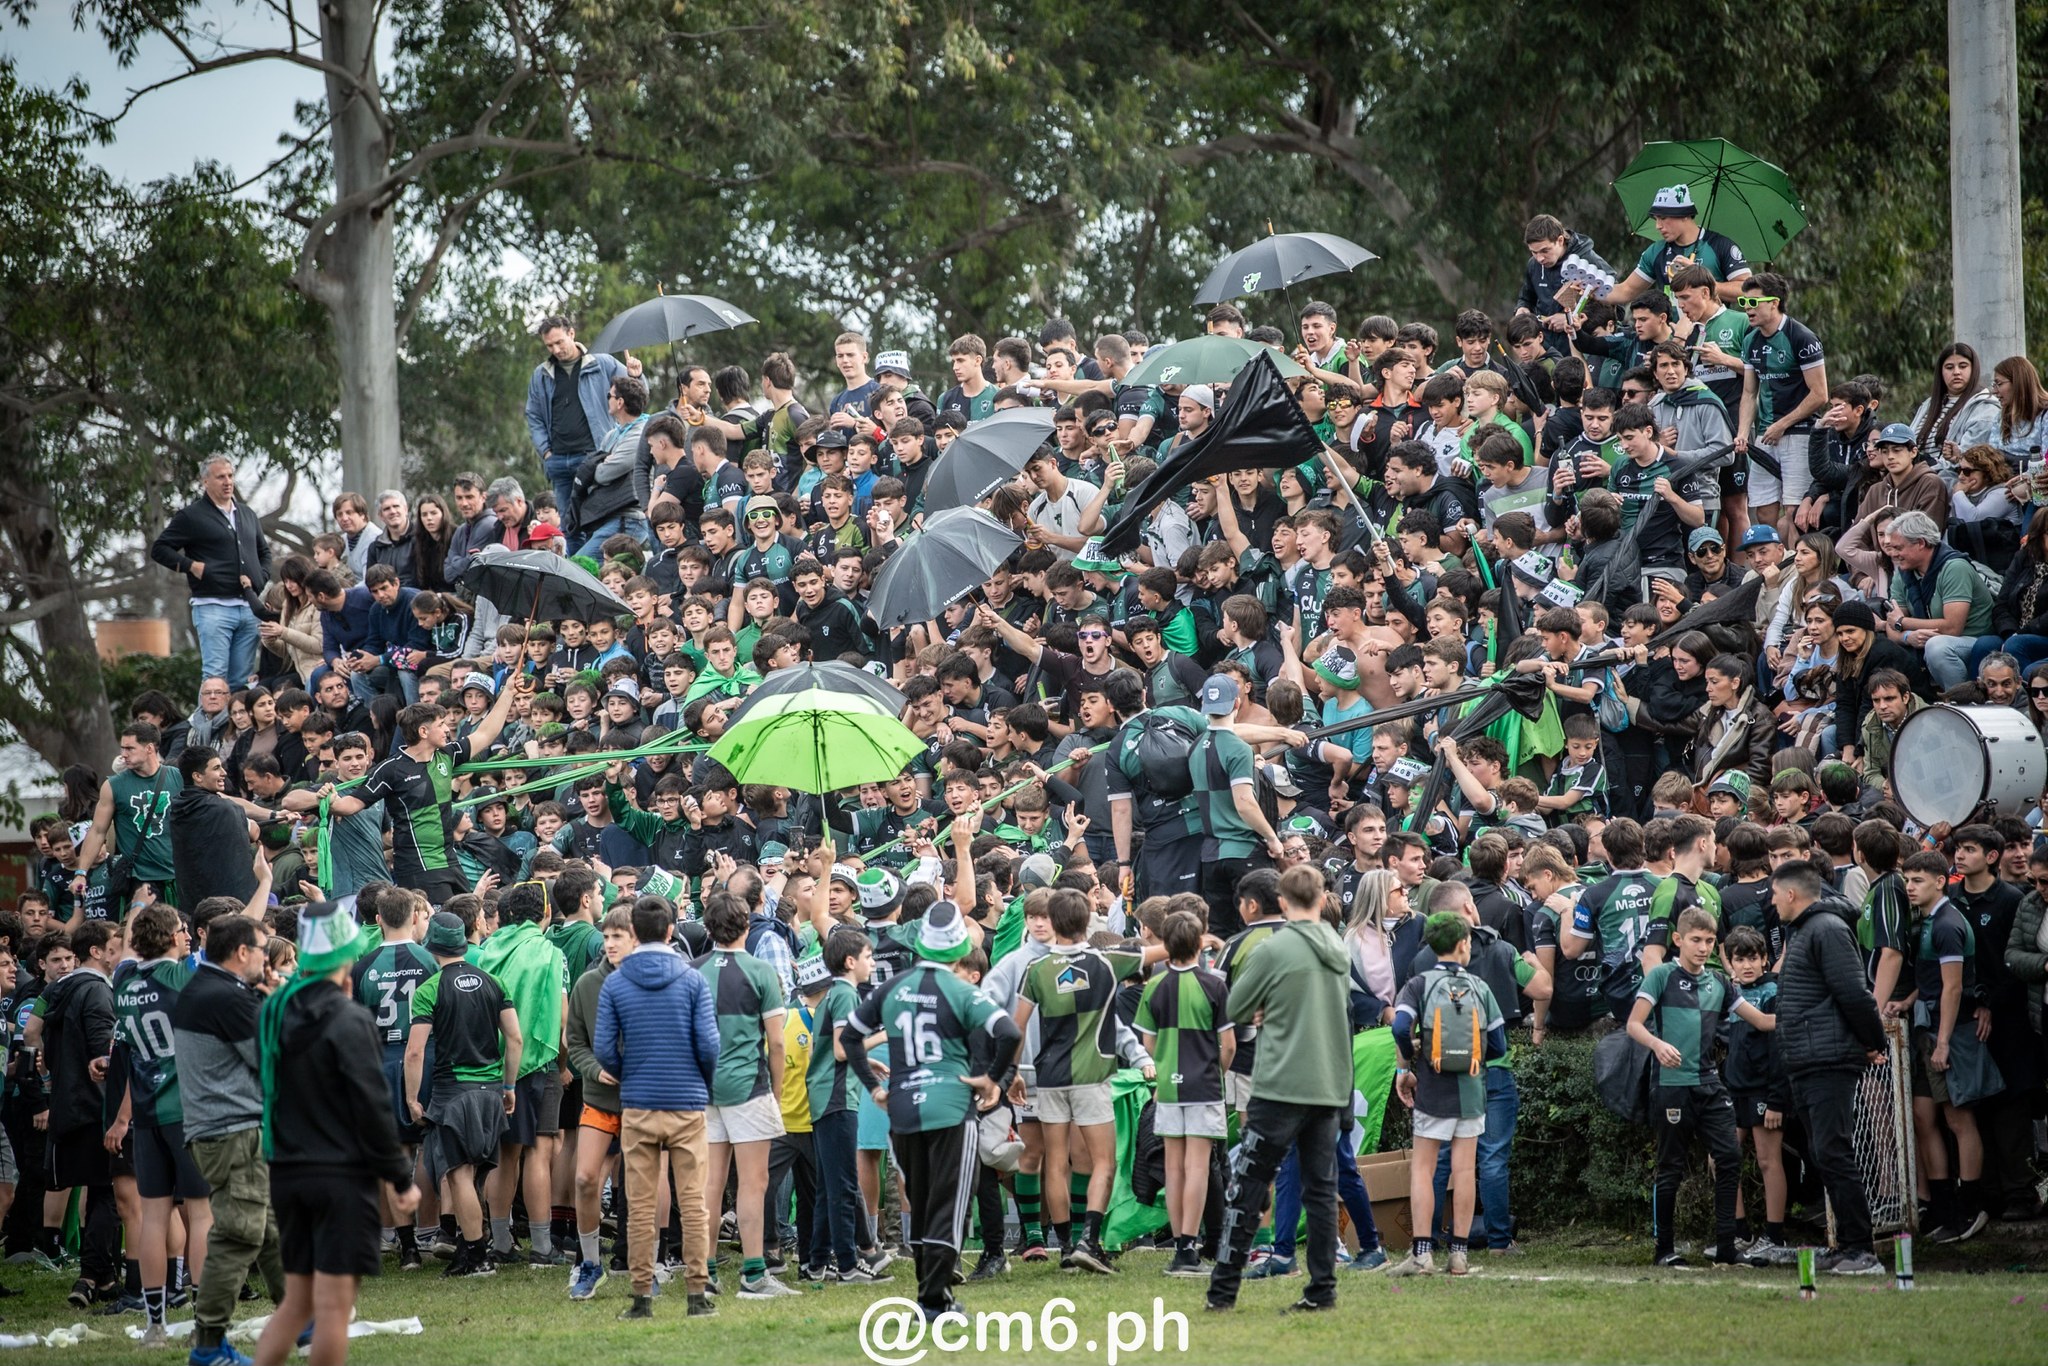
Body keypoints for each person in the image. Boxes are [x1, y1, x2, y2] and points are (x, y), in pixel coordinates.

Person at [252, 901, 419, 1366]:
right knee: (332, 1309)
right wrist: (401, 1179)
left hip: (286, 1170)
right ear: (346, 955)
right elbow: (370, 1105)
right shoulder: (349, 1019)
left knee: (297, 1302)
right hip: (340, 1176)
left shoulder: (275, 1012)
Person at [842, 901, 1021, 1321]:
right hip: (951, 1106)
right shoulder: (963, 991)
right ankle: (933, 1302)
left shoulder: (893, 987)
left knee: (921, 1203)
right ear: (960, 949)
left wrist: (873, 1086)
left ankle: (931, 1297)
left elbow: (851, 1036)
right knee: (948, 1205)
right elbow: (1009, 1032)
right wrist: (992, 1078)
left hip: (903, 1106)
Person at [1206, 865, 1354, 1312]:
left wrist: (1263, 1009)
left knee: (1249, 1185)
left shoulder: (1274, 948)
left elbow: (1235, 1005)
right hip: (1327, 1085)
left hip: (1280, 1083)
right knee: (1321, 1191)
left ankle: (1223, 1290)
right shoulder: (1338, 947)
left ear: (1284, 902)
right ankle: (1322, 1290)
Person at [595, 895, 721, 1322]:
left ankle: (641, 1297)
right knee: (693, 1201)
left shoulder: (615, 982)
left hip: (639, 1103)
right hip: (686, 1102)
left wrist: (627, 1072)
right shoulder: (692, 980)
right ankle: (697, 1295)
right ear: (670, 931)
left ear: (634, 932)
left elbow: (603, 1049)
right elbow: (708, 1044)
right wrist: (701, 1083)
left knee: (641, 1204)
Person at [1627, 906, 1775, 1267]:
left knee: (1729, 1158)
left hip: (1710, 1085)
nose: (1703, 947)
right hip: (1672, 1086)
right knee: (1671, 1168)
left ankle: (1727, 1247)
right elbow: (1634, 1025)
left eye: (1710, 941)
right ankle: (1664, 1250)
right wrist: (1658, 1046)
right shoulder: (1661, 976)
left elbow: (1763, 1021)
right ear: (1678, 940)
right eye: (1696, 940)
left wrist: (1810, 1013)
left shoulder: (1719, 983)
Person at [1011, 889, 1147, 1273]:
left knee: (1055, 1162)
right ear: (1088, 921)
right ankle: (1089, 1240)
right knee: (1103, 1161)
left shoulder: (1035, 970)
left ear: (1052, 923)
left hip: (1048, 1077)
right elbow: (1157, 952)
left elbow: (1016, 1027)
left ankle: (1067, 1247)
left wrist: (1012, 1074)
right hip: (1092, 1076)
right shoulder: (1104, 962)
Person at [174, 912, 284, 1366]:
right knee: (238, 1236)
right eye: (262, 949)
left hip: (222, 1129)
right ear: (242, 953)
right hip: (231, 1131)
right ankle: (208, 1345)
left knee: (271, 1231)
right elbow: (273, 1059)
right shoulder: (225, 997)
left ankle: (302, 1315)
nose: (267, 958)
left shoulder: (211, 989)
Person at [1770, 861, 1887, 1273]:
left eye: (1774, 894)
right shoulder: (1802, 930)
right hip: (1806, 1059)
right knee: (1823, 1152)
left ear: (1791, 894)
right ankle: (1848, 1246)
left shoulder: (1827, 930)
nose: (1771, 901)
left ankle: (1861, 1248)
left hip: (1827, 1059)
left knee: (1834, 1151)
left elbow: (1855, 994)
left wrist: (1874, 1041)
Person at [323, 675, 530, 904]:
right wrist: (329, 799)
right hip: (417, 866)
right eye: (441, 725)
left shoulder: (446, 755)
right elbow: (350, 804)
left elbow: (485, 733)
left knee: (468, 919)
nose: (447, 729)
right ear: (423, 732)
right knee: (442, 928)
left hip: (448, 860)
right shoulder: (390, 769)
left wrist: (509, 691)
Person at [108, 903, 211, 1347]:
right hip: (186, 1109)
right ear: (170, 937)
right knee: (202, 1214)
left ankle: (155, 1325)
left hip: (147, 1113)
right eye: (182, 930)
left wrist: (136, 910)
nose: (188, 936)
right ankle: (205, 1324)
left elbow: (129, 1054)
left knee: (153, 1217)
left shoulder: (123, 982)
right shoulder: (182, 977)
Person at [1386, 911, 1507, 1278]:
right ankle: (1459, 1256)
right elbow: (1499, 1044)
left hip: (1432, 1087)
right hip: (1470, 1089)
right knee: (1465, 1170)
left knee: (1423, 1169)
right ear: (1463, 945)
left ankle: (1422, 1254)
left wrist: (1409, 1063)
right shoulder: (1480, 988)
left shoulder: (1419, 984)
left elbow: (1400, 1027)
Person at [404, 911, 523, 1279]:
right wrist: (509, 1085)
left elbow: (415, 1051)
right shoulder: (494, 981)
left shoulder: (430, 989)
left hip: (454, 1092)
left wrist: (411, 1098)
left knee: (458, 1175)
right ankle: (473, 1249)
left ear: (433, 947)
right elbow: (515, 1039)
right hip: (490, 1093)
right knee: (474, 1177)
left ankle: (476, 1256)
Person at [693, 891, 795, 1299]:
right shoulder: (760, 972)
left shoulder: (693, 970)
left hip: (704, 1090)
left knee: (710, 1185)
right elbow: (777, 1044)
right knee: (753, 1183)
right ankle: (754, 1274)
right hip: (748, 1088)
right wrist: (779, 1091)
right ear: (747, 927)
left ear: (708, 928)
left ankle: (707, 1271)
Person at [1900, 850, 1995, 1243]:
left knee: (1958, 1119)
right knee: (1924, 1117)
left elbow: (1954, 985)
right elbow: (1934, 976)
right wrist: (1907, 1001)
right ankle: (1941, 1206)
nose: (1909, 887)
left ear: (1940, 881)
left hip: (1948, 1033)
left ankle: (1971, 1207)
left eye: (1918, 880)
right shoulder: (1928, 921)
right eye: (1907, 880)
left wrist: (1942, 1043)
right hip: (1928, 1028)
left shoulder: (1948, 923)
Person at [473, 880, 570, 1266]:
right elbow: (562, 1020)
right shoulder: (550, 953)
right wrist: (562, 1066)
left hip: (492, 1064)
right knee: (539, 1153)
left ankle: (500, 1241)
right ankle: (543, 1247)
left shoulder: (487, 950)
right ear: (546, 913)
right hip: (538, 1063)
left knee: (504, 1154)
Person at [1135, 909, 1235, 1277]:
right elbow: (1228, 1046)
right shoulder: (1213, 985)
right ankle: (1190, 1249)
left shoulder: (1154, 987)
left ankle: (1181, 1247)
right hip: (1204, 1085)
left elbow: (1148, 1042)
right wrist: (1215, 1073)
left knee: (1175, 1168)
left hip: (1167, 1087)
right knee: (1197, 1168)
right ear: (1198, 944)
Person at [44, 919, 123, 1309]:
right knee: (106, 1193)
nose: (121, 950)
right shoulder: (95, 992)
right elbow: (103, 1057)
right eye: (116, 944)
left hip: (69, 1104)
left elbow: (38, 1041)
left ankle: (106, 1278)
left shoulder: (61, 989)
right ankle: (91, 1274)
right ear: (98, 951)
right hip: (95, 1108)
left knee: (97, 1191)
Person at [152, 456, 274, 687]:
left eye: (230, 476)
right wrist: (191, 566)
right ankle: (203, 725)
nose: (227, 481)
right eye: (220, 477)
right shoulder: (191, 516)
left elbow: (265, 554)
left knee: (241, 681)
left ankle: (233, 725)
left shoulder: (247, 514)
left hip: (249, 608)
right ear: (205, 481)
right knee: (215, 680)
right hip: (212, 608)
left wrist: (261, 577)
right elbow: (159, 549)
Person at [525, 315, 636, 520]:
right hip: (557, 460)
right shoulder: (541, 375)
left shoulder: (603, 363)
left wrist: (636, 376)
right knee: (569, 523)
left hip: (594, 455)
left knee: (598, 518)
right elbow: (533, 415)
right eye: (550, 346)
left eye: (559, 342)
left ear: (572, 334)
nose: (556, 350)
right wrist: (546, 452)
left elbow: (637, 394)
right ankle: (574, 554)